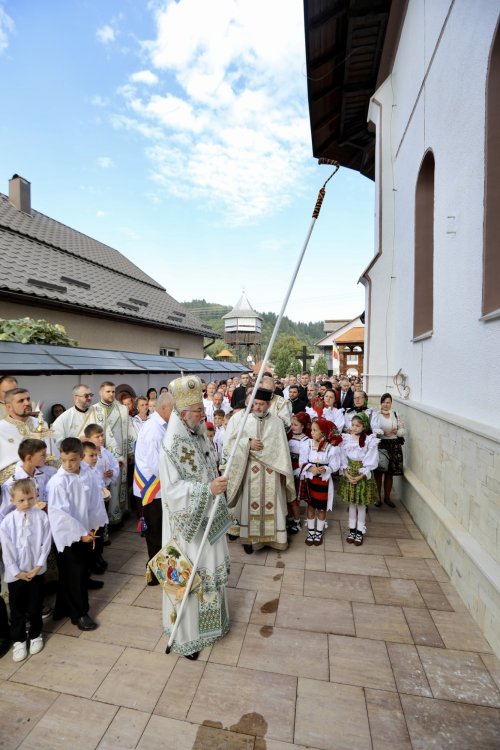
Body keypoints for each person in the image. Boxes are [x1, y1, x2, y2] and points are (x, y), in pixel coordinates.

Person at [158, 375, 231, 659]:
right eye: (199, 411)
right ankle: (187, 637)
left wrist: (218, 474)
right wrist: (208, 489)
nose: (204, 415)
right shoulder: (171, 446)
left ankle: (212, 627)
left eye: (203, 409)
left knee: (209, 573)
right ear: (183, 414)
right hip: (187, 528)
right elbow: (173, 492)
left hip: (207, 519)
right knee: (190, 580)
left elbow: (207, 465)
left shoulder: (197, 433)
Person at [223, 388, 295, 554]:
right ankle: (251, 541)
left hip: (272, 471)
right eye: (255, 404)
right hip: (250, 470)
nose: (257, 407)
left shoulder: (277, 422)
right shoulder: (244, 420)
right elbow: (230, 444)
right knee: (250, 504)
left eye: (261, 404)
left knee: (273, 503)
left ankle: (275, 539)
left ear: (268, 405)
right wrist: (248, 443)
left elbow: (281, 449)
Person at [47, 437, 108, 630]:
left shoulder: (87, 473)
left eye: (72, 460)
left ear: (81, 457)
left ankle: (62, 608)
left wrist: (95, 524)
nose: (67, 465)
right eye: (63, 460)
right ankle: (79, 614)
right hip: (68, 535)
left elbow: (94, 502)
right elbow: (59, 515)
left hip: (86, 530)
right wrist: (80, 533)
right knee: (75, 574)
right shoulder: (59, 482)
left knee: (75, 573)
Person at [0, 478, 51, 661]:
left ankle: (36, 634)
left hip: (36, 571)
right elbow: (7, 549)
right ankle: (19, 639)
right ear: (12, 501)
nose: (26, 503)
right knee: (17, 608)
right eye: (21, 500)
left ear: (36, 496)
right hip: (16, 574)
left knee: (35, 604)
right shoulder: (7, 522)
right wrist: (16, 571)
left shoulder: (42, 517)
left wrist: (38, 566)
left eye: (30, 498)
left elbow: (45, 542)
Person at [133, 392, 174, 571]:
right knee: (155, 533)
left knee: (160, 530)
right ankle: (154, 570)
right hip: (151, 489)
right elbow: (155, 465)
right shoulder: (153, 429)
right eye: (174, 410)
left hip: (158, 487)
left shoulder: (161, 425)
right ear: (164, 408)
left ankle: (161, 567)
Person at [86, 382, 134, 525]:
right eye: (108, 391)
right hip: (99, 454)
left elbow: (130, 430)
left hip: (120, 453)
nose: (111, 394)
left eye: (113, 392)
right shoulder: (93, 410)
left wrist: (131, 451)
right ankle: (102, 522)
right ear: (100, 393)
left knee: (117, 483)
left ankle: (116, 515)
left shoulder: (123, 409)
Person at [299, 417, 342, 546]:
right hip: (311, 482)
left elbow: (335, 466)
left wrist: (325, 468)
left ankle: (319, 532)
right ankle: (311, 532)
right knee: (310, 506)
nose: (311, 432)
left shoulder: (331, 448)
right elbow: (302, 461)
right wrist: (310, 467)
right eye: (311, 429)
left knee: (321, 509)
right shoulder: (307, 444)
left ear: (323, 432)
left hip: (323, 483)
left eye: (314, 430)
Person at [338, 413, 379, 546]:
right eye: (353, 425)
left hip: (362, 474)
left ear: (364, 426)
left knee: (361, 505)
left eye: (358, 425)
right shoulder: (346, 439)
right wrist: (347, 474)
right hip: (350, 472)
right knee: (351, 504)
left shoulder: (369, 440)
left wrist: (360, 476)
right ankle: (352, 530)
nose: (355, 428)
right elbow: (343, 457)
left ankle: (359, 531)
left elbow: (371, 461)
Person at [0, 388, 50, 485]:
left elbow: (52, 455)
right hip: (13, 484)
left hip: (44, 479)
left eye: (28, 399)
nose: (27, 403)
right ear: (9, 407)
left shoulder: (41, 424)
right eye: (21, 401)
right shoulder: (1, 428)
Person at [1, 438, 56, 518]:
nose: (46, 457)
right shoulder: (11, 485)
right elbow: (4, 513)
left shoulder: (44, 476)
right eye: (42, 455)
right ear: (29, 458)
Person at [374, 393, 406, 508]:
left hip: (394, 445)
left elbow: (403, 430)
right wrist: (383, 432)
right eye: (383, 402)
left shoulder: (396, 415)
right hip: (381, 445)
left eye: (388, 402)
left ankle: (387, 497)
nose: (385, 404)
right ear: (381, 403)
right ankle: (377, 498)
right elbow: (373, 430)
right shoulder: (376, 415)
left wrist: (396, 431)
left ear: (391, 403)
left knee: (389, 474)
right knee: (379, 472)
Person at [287, 412, 311, 534]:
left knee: (294, 499)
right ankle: (290, 518)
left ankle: (296, 521)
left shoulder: (306, 441)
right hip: (287, 467)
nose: (293, 426)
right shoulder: (289, 437)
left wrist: (297, 471)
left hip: (297, 470)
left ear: (303, 426)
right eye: (292, 424)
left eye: (296, 424)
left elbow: (304, 459)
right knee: (287, 497)